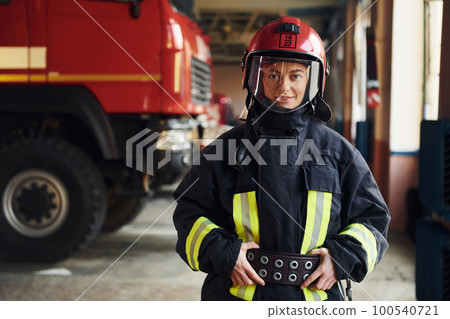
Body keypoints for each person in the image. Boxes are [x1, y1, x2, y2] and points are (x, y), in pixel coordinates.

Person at [173, 16, 390, 301]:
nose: (283, 87)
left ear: (314, 79)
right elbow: (189, 214)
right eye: (273, 73)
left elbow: (373, 220)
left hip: (316, 300)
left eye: (296, 75)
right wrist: (224, 254)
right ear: (254, 77)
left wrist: (342, 259)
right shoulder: (224, 150)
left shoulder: (339, 152)